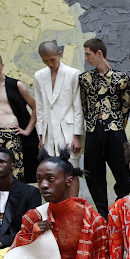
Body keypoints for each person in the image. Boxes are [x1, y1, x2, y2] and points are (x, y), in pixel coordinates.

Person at [79, 38, 130, 218]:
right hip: (94, 130)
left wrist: (116, 125)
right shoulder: (85, 79)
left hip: (115, 130)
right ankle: (102, 213)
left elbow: (126, 107)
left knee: (123, 171)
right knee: (92, 172)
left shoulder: (121, 78)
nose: (86, 58)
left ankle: (121, 208)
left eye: (88, 54)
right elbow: (85, 107)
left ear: (99, 53)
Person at [0, 51, 38, 183]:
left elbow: (35, 107)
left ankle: (16, 202)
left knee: (15, 172)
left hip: (10, 132)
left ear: (2, 65)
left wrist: (27, 130)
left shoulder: (16, 85)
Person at [34, 41, 84, 197]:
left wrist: (77, 136)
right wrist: (41, 135)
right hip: (49, 131)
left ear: (59, 55)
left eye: (52, 60)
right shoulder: (39, 76)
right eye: (45, 60)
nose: (50, 64)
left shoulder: (73, 74)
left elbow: (78, 106)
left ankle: (74, 207)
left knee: (72, 169)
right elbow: (40, 107)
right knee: (50, 170)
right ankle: (54, 210)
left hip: (68, 130)